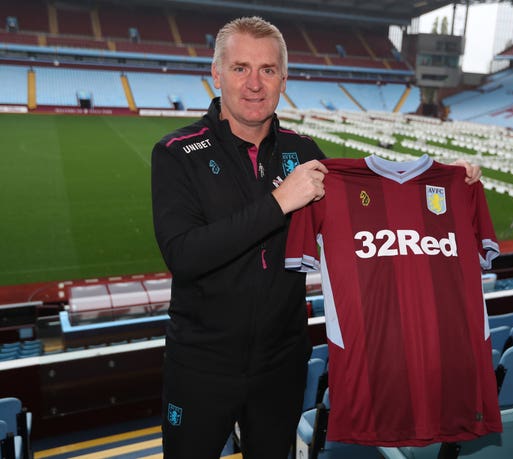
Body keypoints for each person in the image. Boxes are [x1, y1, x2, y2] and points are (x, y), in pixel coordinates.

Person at [151, 16, 482, 459]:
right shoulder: (176, 153)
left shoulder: (302, 151)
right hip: (200, 364)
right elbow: (185, 255)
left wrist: (442, 176)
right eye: (240, 68)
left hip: (281, 362)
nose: (254, 83)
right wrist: (278, 202)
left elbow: (373, 201)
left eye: (268, 70)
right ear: (216, 73)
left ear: (283, 80)